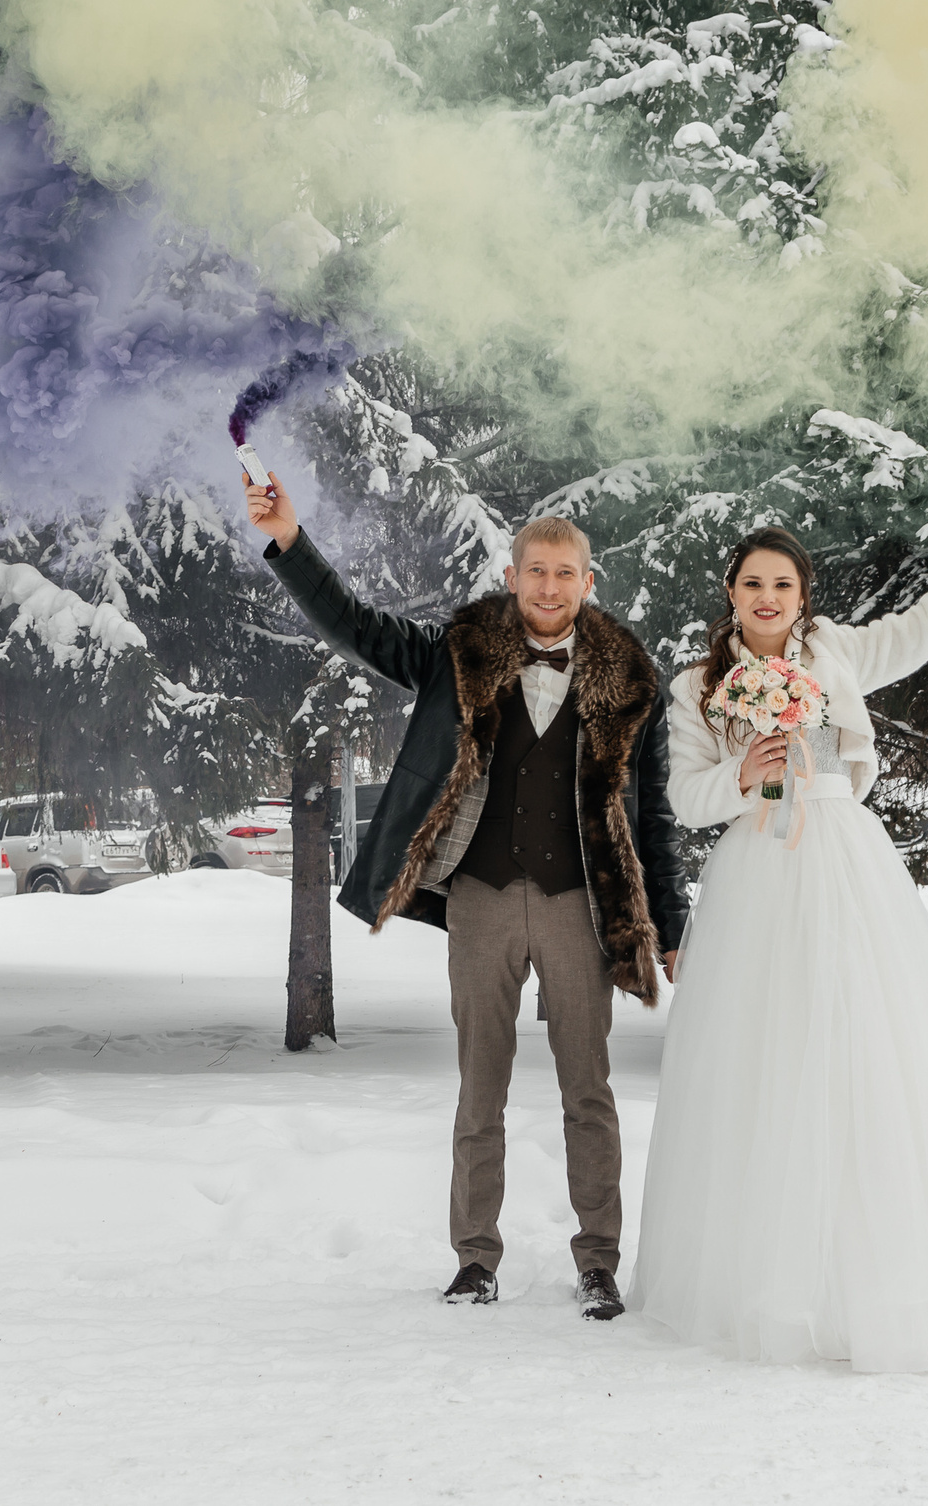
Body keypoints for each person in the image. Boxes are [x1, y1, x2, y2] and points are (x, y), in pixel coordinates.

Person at [632, 489, 928, 1372]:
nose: (768, 598)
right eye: (753, 583)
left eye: (784, 584)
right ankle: (764, 1280)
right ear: (731, 592)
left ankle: (879, 1273)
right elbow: (685, 798)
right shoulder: (694, 686)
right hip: (757, 870)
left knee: (870, 1046)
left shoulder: (834, 651)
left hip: (844, 858)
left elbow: (924, 627)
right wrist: (743, 770)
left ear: (805, 596)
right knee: (763, 1059)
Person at [244, 471, 690, 1320]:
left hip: (578, 906)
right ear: (513, 574)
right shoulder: (462, 650)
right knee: (478, 1087)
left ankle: (599, 1261)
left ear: (588, 583)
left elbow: (654, 817)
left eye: (566, 573)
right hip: (481, 898)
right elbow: (360, 629)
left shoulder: (634, 679)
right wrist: (293, 544)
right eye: (536, 571)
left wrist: (667, 923)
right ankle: (474, 1259)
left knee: (587, 1091)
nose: (550, 587)